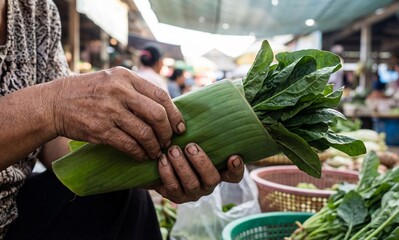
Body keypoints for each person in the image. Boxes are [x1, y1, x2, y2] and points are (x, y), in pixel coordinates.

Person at [0, 1, 244, 239]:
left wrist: (142, 161)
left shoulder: (37, 10)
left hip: (16, 209)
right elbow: (53, 114)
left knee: (124, 197)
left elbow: (54, 145)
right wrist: (53, 105)